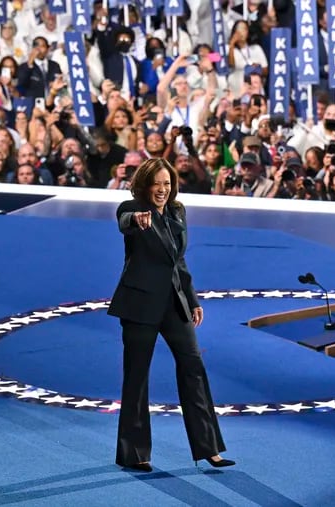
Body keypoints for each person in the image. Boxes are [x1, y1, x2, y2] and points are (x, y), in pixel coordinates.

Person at [107, 157, 234, 473]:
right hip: (139, 306)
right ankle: (135, 452)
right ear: (145, 184)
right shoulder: (131, 208)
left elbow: (178, 261)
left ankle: (209, 448)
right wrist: (137, 219)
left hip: (174, 304)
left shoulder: (178, 212)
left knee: (194, 367)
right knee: (136, 378)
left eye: (167, 183)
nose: (162, 189)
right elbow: (125, 221)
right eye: (157, 183)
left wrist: (192, 299)